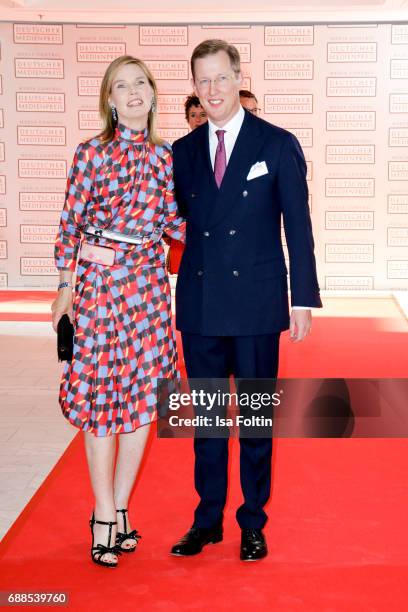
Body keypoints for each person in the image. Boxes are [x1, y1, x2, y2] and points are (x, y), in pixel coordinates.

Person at [171, 40, 322, 561]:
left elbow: (297, 228)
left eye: (219, 78)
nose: (211, 90)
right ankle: (207, 518)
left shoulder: (276, 144)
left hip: (257, 304)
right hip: (201, 305)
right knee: (208, 422)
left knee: (256, 422)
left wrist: (301, 297)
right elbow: (169, 226)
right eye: (201, 81)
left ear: (238, 77)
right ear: (194, 87)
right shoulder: (183, 152)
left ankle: (252, 521)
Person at [52, 55, 184, 568]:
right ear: (109, 99)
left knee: (141, 403)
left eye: (140, 84)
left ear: (152, 93)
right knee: (103, 399)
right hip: (101, 290)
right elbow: (70, 224)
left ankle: (123, 504)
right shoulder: (91, 154)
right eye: (121, 86)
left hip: (149, 289)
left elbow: (177, 224)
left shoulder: (166, 157)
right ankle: (103, 512)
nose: (132, 93)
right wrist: (65, 287)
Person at [165, 94, 207, 275]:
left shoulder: (223, 146)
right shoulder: (178, 148)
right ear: (187, 119)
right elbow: (171, 191)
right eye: (193, 115)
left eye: (202, 114)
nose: (197, 119)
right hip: (184, 228)